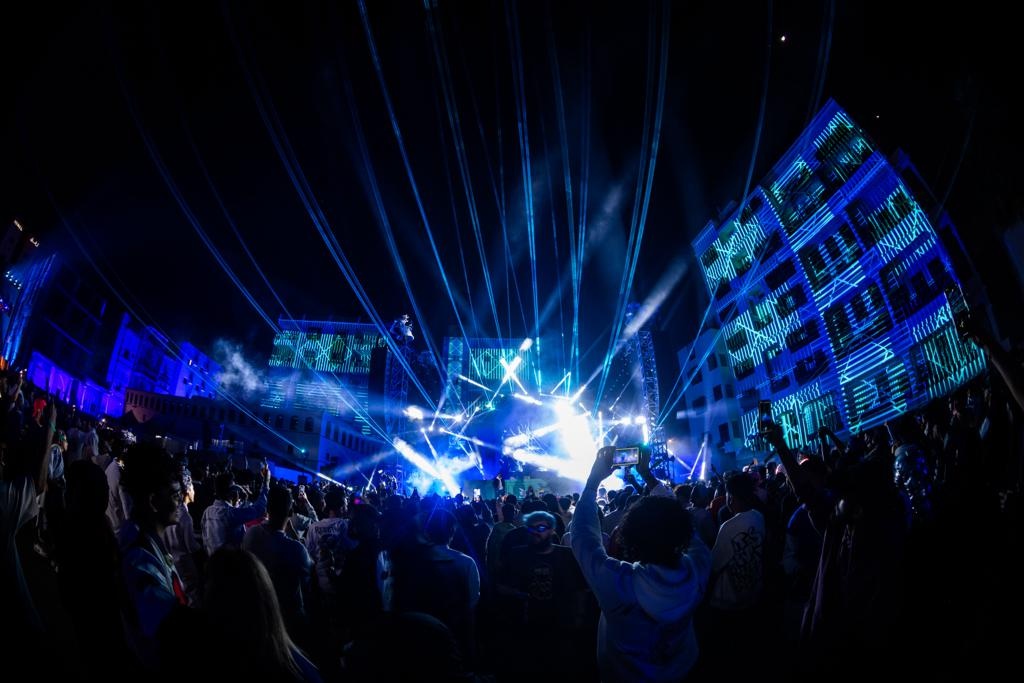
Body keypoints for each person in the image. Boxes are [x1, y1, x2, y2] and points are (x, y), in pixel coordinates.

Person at [571, 447, 711, 682]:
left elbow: (583, 536)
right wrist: (647, 475)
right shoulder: (699, 567)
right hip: (683, 670)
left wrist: (593, 482)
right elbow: (686, 527)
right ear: (682, 536)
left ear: (629, 542)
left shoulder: (617, 583)